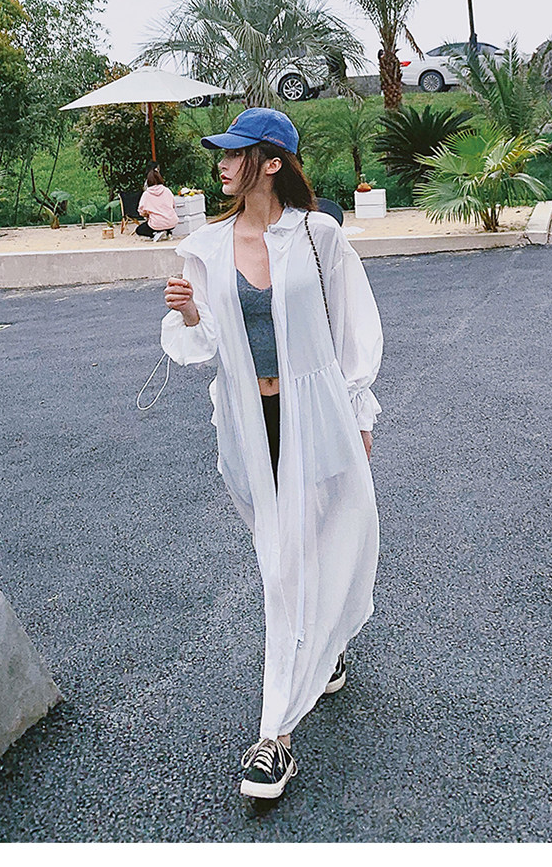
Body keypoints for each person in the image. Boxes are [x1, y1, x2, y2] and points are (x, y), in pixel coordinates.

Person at [161, 107, 383, 800]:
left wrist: (359, 410)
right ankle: (325, 644)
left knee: (292, 557)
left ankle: (275, 736)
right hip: (249, 423)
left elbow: (353, 326)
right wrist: (190, 312)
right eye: (222, 153)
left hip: (316, 414)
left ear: (273, 162)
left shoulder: (318, 235)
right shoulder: (206, 246)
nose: (222, 164)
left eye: (236, 153)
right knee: (284, 550)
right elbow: (202, 346)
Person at [137, 168, 179, 240]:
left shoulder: (146, 194)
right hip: (172, 221)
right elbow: (173, 205)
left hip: (156, 223)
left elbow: (141, 211)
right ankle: (168, 232)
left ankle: (156, 234)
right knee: (165, 221)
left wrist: (146, 215)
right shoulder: (167, 190)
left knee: (139, 230)